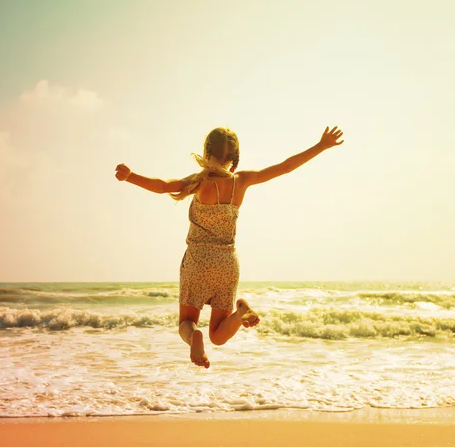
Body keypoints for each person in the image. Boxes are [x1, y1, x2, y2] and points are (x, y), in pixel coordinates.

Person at [115, 126, 344, 368]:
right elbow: (285, 167)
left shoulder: (199, 181)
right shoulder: (242, 180)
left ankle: (194, 337)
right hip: (227, 263)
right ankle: (239, 313)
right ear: (234, 158)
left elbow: (163, 186)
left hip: (198, 261)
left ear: (206, 151)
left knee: (187, 322)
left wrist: (131, 176)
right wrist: (321, 146)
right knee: (218, 335)